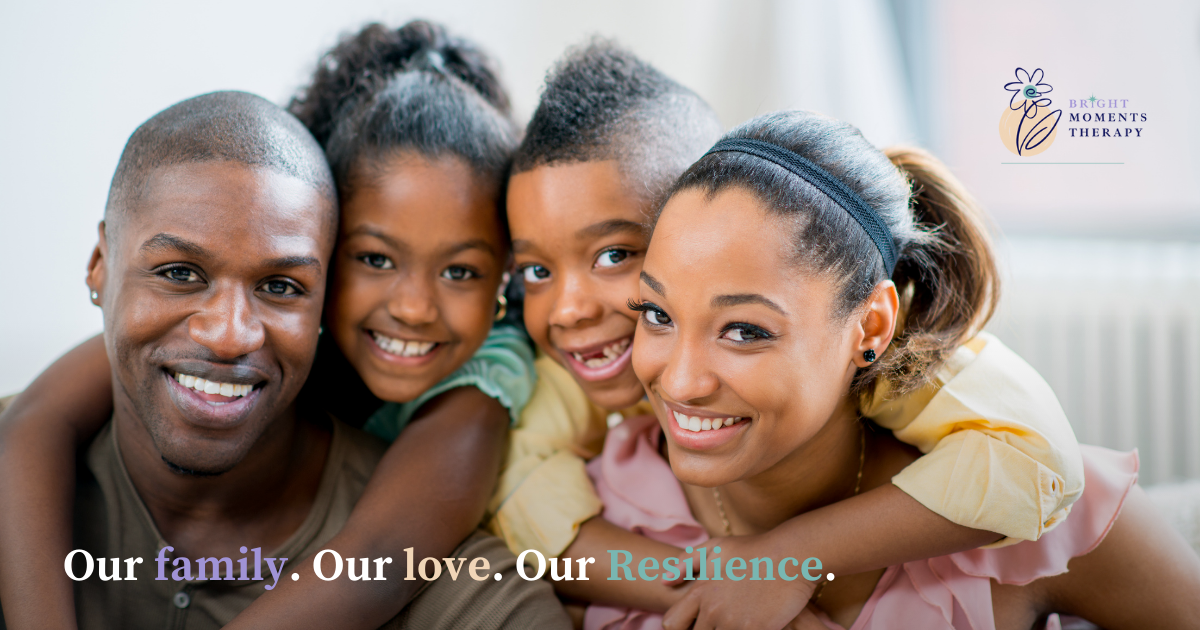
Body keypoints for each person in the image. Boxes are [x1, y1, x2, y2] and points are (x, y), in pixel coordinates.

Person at [492, 41, 1087, 628]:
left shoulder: (899, 367)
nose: (567, 310)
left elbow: (1036, 462)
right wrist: (730, 588)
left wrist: (789, 558)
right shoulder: (560, 389)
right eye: (536, 272)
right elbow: (521, 496)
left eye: (615, 253)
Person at [0, 25, 572, 630]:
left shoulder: (474, 411)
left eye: (280, 285)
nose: (228, 334)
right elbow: (35, 421)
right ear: (100, 265)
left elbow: (381, 555)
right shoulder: (47, 443)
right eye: (179, 272)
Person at [596, 112, 1200, 629]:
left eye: (746, 331)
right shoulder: (605, 507)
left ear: (873, 328)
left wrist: (790, 560)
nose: (678, 382)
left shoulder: (1061, 522)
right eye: (656, 314)